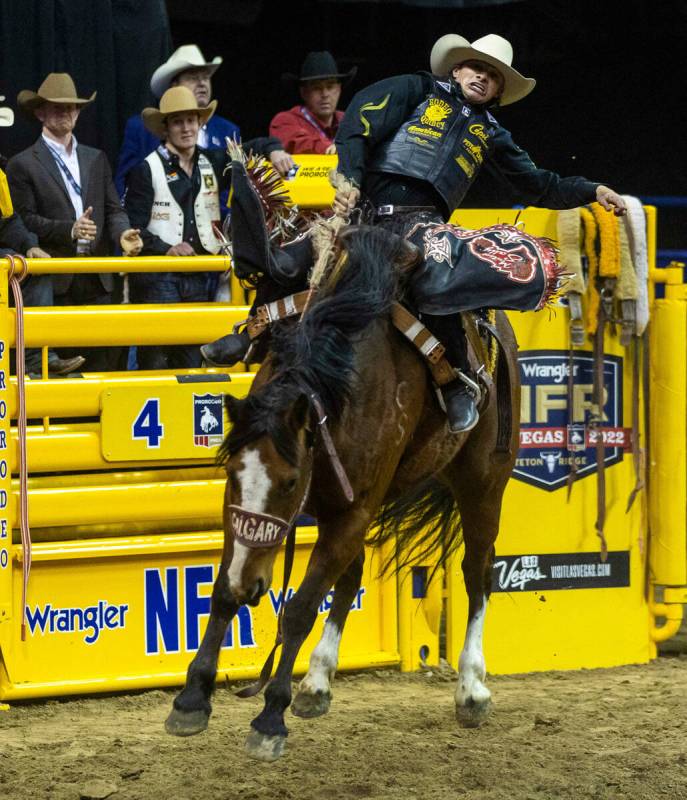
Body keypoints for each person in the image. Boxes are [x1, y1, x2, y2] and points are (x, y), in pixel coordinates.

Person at [331, 33, 626, 433]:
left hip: (423, 224)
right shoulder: (416, 88)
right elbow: (361, 117)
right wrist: (348, 176)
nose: (483, 78)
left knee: (443, 272)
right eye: (477, 68)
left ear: (499, 90)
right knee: (303, 256)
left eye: (493, 75)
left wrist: (591, 190)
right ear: (457, 69)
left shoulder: (490, 133)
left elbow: (539, 184)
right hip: (365, 213)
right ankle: (255, 331)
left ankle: (454, 381)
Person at [124, 86, 286, 370]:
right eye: (178, 121)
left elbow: (251, 147)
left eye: (191, 120)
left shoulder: (212, 161)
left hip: (198, 275)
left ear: (199, 124)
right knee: (158, 358)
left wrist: (273, 149)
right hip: (159, 278)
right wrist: (166, 249)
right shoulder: (145, 170)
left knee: (192, 357)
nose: (186, 128)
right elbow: (133, 228)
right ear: (166, 128)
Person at [6, 73, 142, 373]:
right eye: (57, 107)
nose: (67, 112)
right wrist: (69, 228)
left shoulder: (96, 158)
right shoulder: (22, 163)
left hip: (98, 276)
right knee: (58, 367)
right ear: (40, 112)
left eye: (72, 107)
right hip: (56, 278)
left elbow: (113, 208)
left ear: (79, 112)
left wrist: (122, 234)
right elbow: (22, 221)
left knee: (103, 363)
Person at [116, 44, 294, 195]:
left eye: (206, 77)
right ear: (174, 86)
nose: (202, 83)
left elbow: (234, 186)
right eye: (193, 78)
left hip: (217, 228)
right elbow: (124, 183)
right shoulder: (140, 128)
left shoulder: (227, 130)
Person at [269, 51, 356, 155]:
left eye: (330, 86)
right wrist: (332, 149)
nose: (325, 94)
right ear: (304, 92)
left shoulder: (348, 120)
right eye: (316, 88)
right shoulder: (285, 120)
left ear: (339, 89)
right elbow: (301, 143)